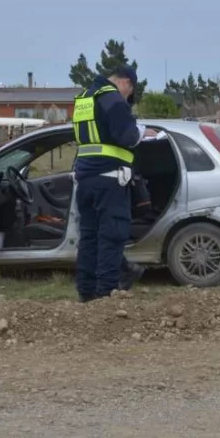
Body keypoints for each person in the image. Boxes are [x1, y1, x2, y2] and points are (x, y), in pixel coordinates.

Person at [72, 66, 156, 302]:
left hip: (85, 179)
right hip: (110, 178)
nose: (127, 99)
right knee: (112, 236)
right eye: (130, 94)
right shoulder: (112, 97)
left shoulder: (85, 99)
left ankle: (86, 293)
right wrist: (141, 131)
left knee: (89, 237)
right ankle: (106, 293)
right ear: (126, 83)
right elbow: (126, 136)